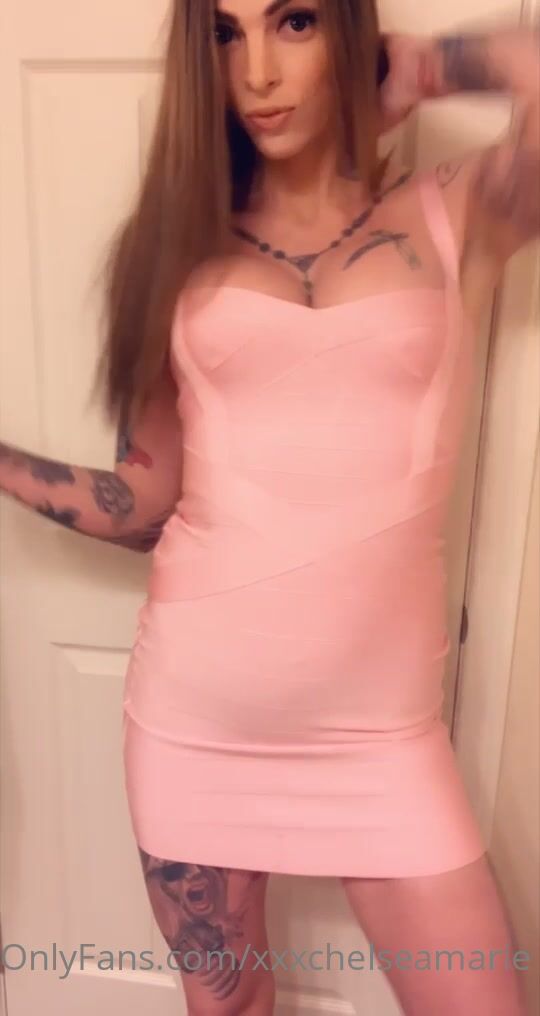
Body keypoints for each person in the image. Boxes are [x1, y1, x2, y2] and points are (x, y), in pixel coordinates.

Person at [1, 2, 538, 1013]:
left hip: (385, 736)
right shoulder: (174, 249)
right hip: (196, 723)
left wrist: (414, 69)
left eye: (292, 22)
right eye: (224, 32)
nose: (255, 71)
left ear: (346, 30)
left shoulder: (455, 213)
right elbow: (143, 503)